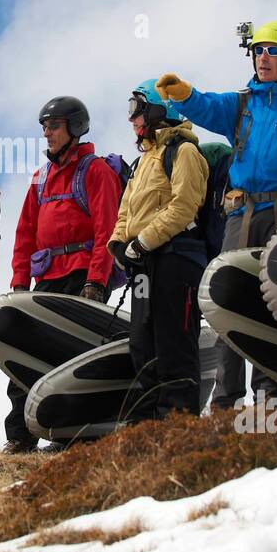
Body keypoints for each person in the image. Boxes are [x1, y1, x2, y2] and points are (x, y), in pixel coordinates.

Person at [155, 20, 277, 408]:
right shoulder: (242, 103)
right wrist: (184, 94)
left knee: (274, 302)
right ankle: (226, 401)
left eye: (273, 51)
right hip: (240, 213)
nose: (263, 57)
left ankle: (271, 396)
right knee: (227, 299)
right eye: (258, 50)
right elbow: (206, 105)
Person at [3, 96, 122, 453]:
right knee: (25, 350)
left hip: (82, 277)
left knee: (72, 356)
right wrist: (19, 282)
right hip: (45, 280)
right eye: (44, 127)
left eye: (53, 126)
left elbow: (108, 230)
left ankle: (74, 433)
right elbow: (24, 234)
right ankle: (20, 436)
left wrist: (97, 281)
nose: (47, 133)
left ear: (75, 126)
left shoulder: (95, 170)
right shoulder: (40, 179)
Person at [108, 81, 208, 421]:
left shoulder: (184, 152)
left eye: (137, 110)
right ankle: (143, 429)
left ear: (156, 110)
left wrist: (143, 242)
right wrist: (119, 245)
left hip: (176, 260)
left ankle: (176, 428)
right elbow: (127, 210)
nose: (132, 119)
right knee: (142, 342)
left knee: (174, 342)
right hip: (143, 264)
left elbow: (184, 207)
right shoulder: (143, 161)